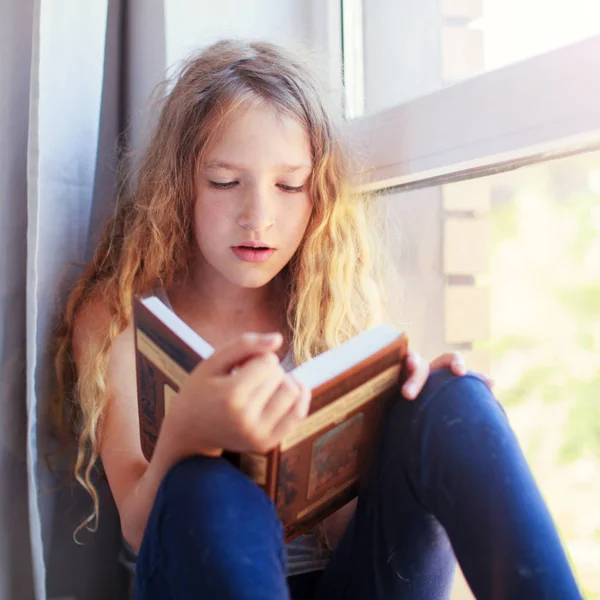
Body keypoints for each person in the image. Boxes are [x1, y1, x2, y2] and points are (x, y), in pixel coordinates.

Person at [50, 39, 582, 600]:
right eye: (225, 182)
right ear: (180, 184)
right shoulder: (115, 315)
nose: (258, 217)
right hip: (201, 578)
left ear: (317, 194)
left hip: (341, 584)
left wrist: (407, 417)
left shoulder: (321, 305)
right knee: (208, 487)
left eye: (289, 186)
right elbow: (138, 523)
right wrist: (188, 436)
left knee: (455, 398)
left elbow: (341, 529)